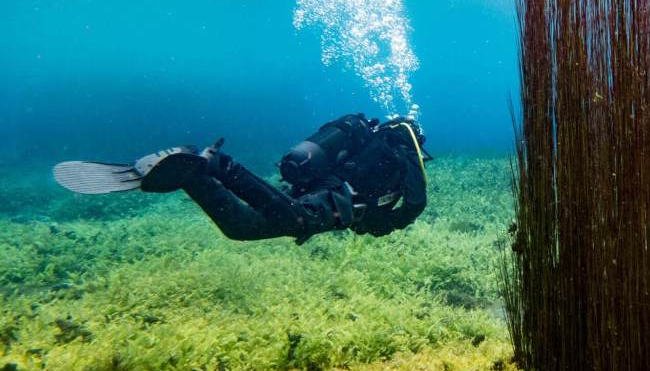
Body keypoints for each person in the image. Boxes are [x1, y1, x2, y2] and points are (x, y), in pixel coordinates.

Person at [53, 114, 430, 244]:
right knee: (294, 219)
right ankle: (222, 166)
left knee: (242, 227)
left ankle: (194, 175)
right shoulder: (404, 150)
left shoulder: (371, 141)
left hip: (325, 187)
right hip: (340, 198)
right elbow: (416, 203)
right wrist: (386, 223)